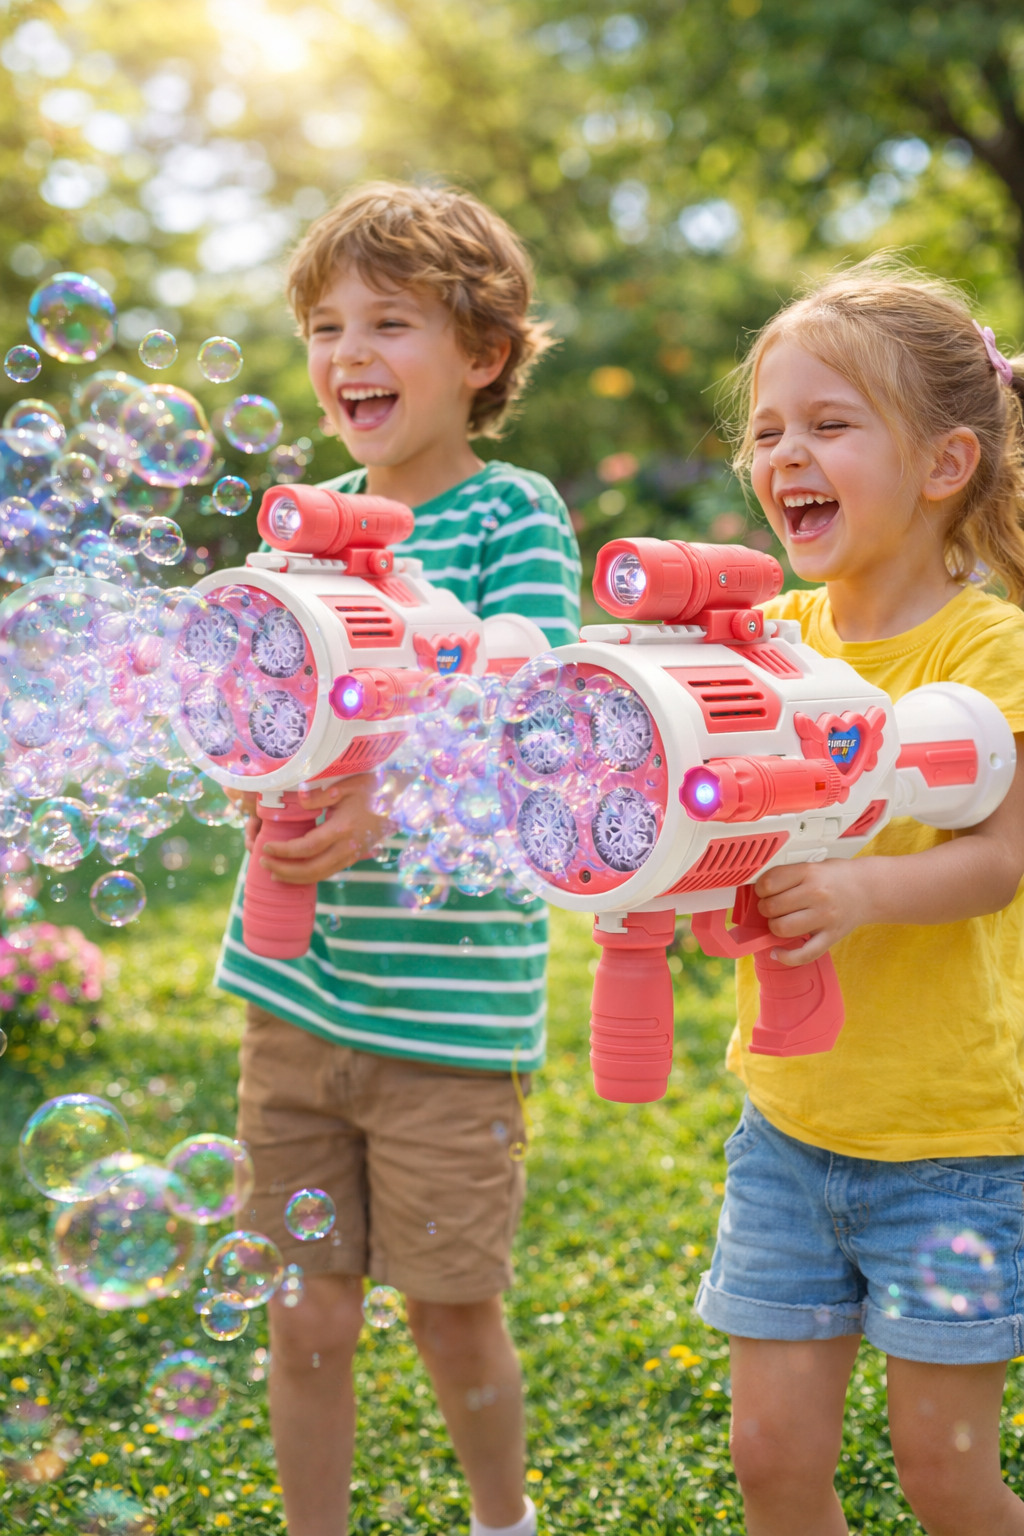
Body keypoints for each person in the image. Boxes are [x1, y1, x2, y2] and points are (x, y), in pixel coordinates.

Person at [215, 181, 581, 1536]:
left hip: (447, 1022)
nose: (347, 354)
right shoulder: (298, 528)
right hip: (296, 1000)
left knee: (449, 1310)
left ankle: (504, 1523)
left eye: (390, 323)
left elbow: (535, 720)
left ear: (484, 353)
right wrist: (264, 793)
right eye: (325, 326)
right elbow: (254, 714)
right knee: (303, 1310)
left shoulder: (510, 520)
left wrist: (388, 810)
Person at [693, 259, 1024, 1536]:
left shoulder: (984, 647)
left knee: (946, 1477)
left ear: (944, 465)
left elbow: (998, 858)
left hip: (955, 1151)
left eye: (830, 424)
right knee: (772, 1461)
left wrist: (850, 892)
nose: (786, 453)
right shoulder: (766, 641)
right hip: (788, 1127)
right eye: (768, 429)